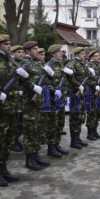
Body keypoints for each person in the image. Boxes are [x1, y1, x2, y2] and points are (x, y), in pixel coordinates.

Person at [20, 41, 50, 170]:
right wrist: (33, 87)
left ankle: (36, 155)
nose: (37, 50)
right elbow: (21, 81)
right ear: (27, 51)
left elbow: (45, 80)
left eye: (37, 48)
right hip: (29, 102)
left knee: (38, 129)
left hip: (40, 101)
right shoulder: (24, 64)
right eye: (34, 49)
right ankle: (29, 159)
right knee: (30, 131)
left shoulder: (38, 62)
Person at [0, 34, 20, 186]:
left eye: (9, 43)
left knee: (9, 138)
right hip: (1, 108)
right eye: (6, 44)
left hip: (12, 106)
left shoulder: (11, 60)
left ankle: (4, 168)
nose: (9, 46)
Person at [45, 44, 69, 158]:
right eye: (58, 52)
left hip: (61, 99)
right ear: (52, 53)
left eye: (61, 52)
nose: (61, 53)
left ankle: (57, 144)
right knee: (52, 125)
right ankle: (51, 147)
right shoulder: (48, 66)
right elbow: (45, 83)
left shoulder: (60, 65)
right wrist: (54, 91)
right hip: (53, 100)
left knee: (60, 123)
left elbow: (64, 81)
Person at [65, 47, 89, 149]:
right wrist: (78, 85)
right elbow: (70, 77)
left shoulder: (83, 63)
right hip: (75, 93)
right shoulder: (72, 64)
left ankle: (78, 137)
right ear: (77, 54)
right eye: (82, 53)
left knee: (80, 116)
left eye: (84, 53)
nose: (84, 55)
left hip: (82, 93)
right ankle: (73, 140)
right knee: (75, 117)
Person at [85, 50, 100, 140]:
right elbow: (87, 80)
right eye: (96, 56)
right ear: (91, 57)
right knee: (91, 112)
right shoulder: (88, 66)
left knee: (98, 112)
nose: (98, 57)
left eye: (98, 55)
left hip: (99, 92)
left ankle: (95, 131)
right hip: (91, 92)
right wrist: (95, 86)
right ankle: (90, 133)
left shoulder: (99, 65)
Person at [10, 45, 25, 152]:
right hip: (11, 96)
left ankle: (16, 139)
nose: (21, 54)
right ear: (13, 53)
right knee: (12, 120)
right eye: (19, 52)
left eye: (22, 52)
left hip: (21, 96)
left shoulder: (22, 64)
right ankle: (13, 141)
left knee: (19, 120)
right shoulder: (10, 64)